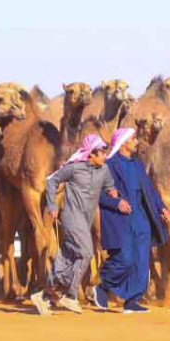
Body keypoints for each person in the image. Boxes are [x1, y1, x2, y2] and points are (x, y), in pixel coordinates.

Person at [36, 134, 120, 316]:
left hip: (86, 219)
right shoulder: (74, 168)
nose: (105, 156)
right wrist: (51, 205)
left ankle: (43, 296)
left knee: (66, 259)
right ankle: (71, 295)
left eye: (105, 153)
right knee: (87, 252)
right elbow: (52, 181)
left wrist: (112, 192)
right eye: (101, 153)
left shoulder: (104, 170)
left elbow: (108, 186)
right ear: (91, 154)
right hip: (71, 217)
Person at [91, 128, 170, 314]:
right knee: (124, 259)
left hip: (141, 218)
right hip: (120, 220)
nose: (136, 142)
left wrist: (161, 208)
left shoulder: (137, 165)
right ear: (124, 142)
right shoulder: (109, 166)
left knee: (141, 260)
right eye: (133, 139)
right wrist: (116, 202)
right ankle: (103, 287)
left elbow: (149, 190)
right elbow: (97, 193)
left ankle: (133, 300)